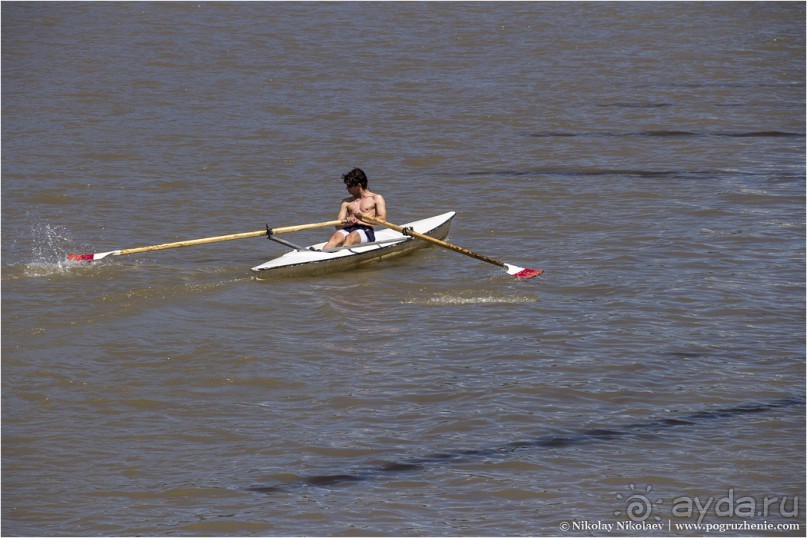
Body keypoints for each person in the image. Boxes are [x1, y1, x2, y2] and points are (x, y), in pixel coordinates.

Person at [323, 168, 387, 249]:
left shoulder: (376, 198)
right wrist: (348, 223)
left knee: (350, 237)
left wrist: (362, 218)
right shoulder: (346, 202)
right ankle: (320, 256)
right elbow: (337, 225)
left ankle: (342, 257)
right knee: (335, 238)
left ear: (359, 186)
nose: (347, 188)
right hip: (349, 228)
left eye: (349, 186)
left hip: (366, 230)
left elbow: (382, 219)